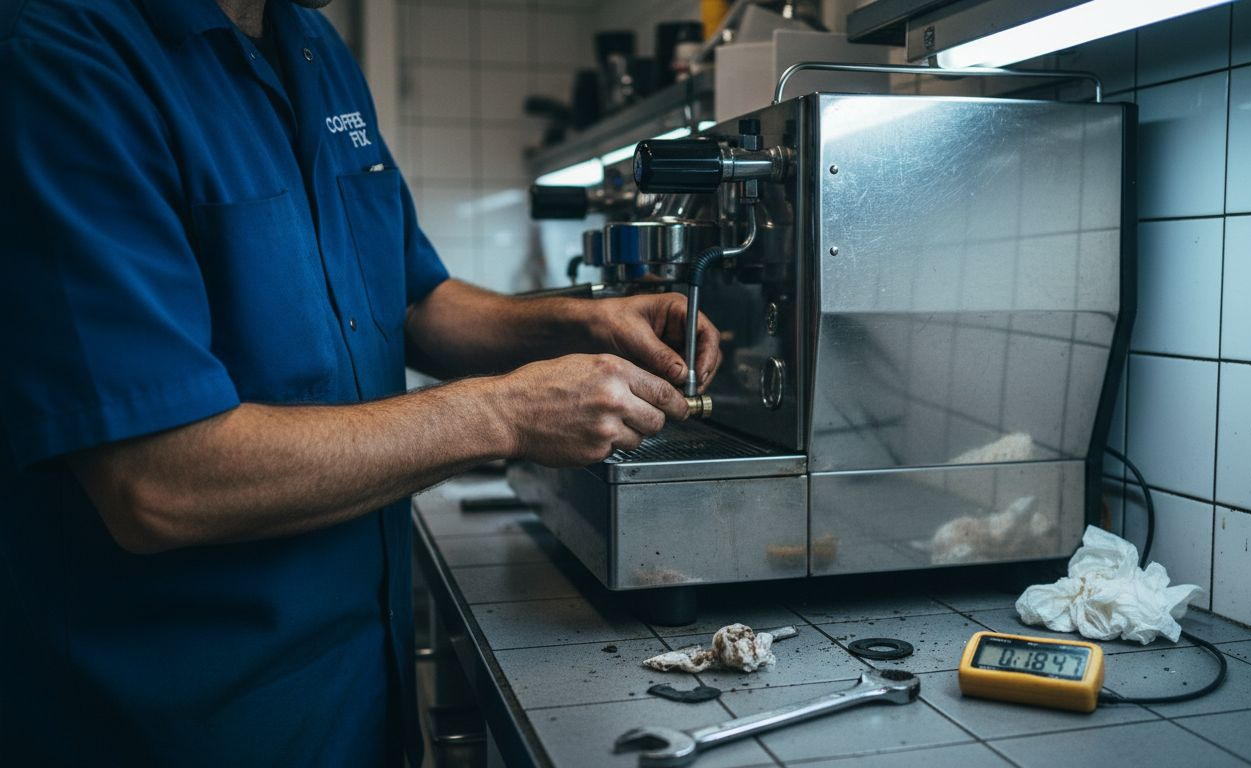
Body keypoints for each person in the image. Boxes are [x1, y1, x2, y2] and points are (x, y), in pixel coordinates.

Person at [0, 0, 722, 764]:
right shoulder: (59, 52)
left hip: (356, 697)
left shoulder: (310, 44)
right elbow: (158, 481)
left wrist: (583, 321)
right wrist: (505, 414)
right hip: (179, 723)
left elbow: (410, 298)